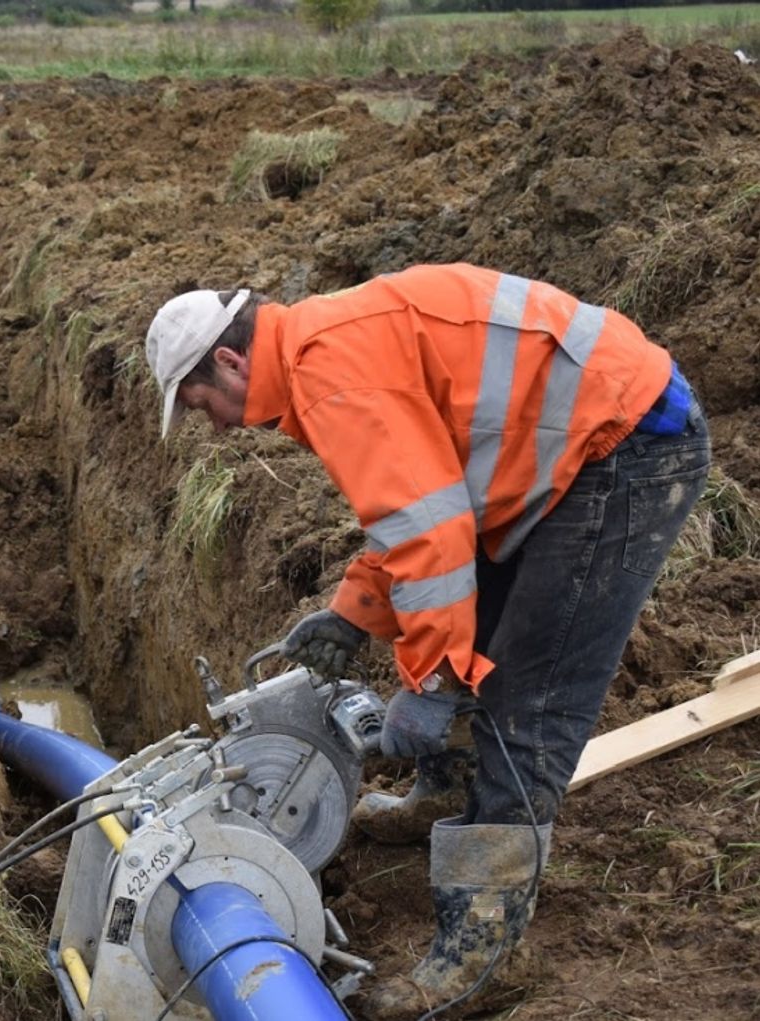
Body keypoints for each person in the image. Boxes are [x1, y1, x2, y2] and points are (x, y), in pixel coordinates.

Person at [145, 264, 710, 1018]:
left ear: (230, 360)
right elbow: (422, 505)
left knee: (527, 703)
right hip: (558, 452)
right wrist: (354, 611)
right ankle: (443, 793)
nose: (211, 423)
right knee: (480, 635)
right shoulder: (319, 352)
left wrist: (431, 683)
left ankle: (483, 948)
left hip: (625, 443)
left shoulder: (328, 373)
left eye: (199, 401)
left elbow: (432, 534)